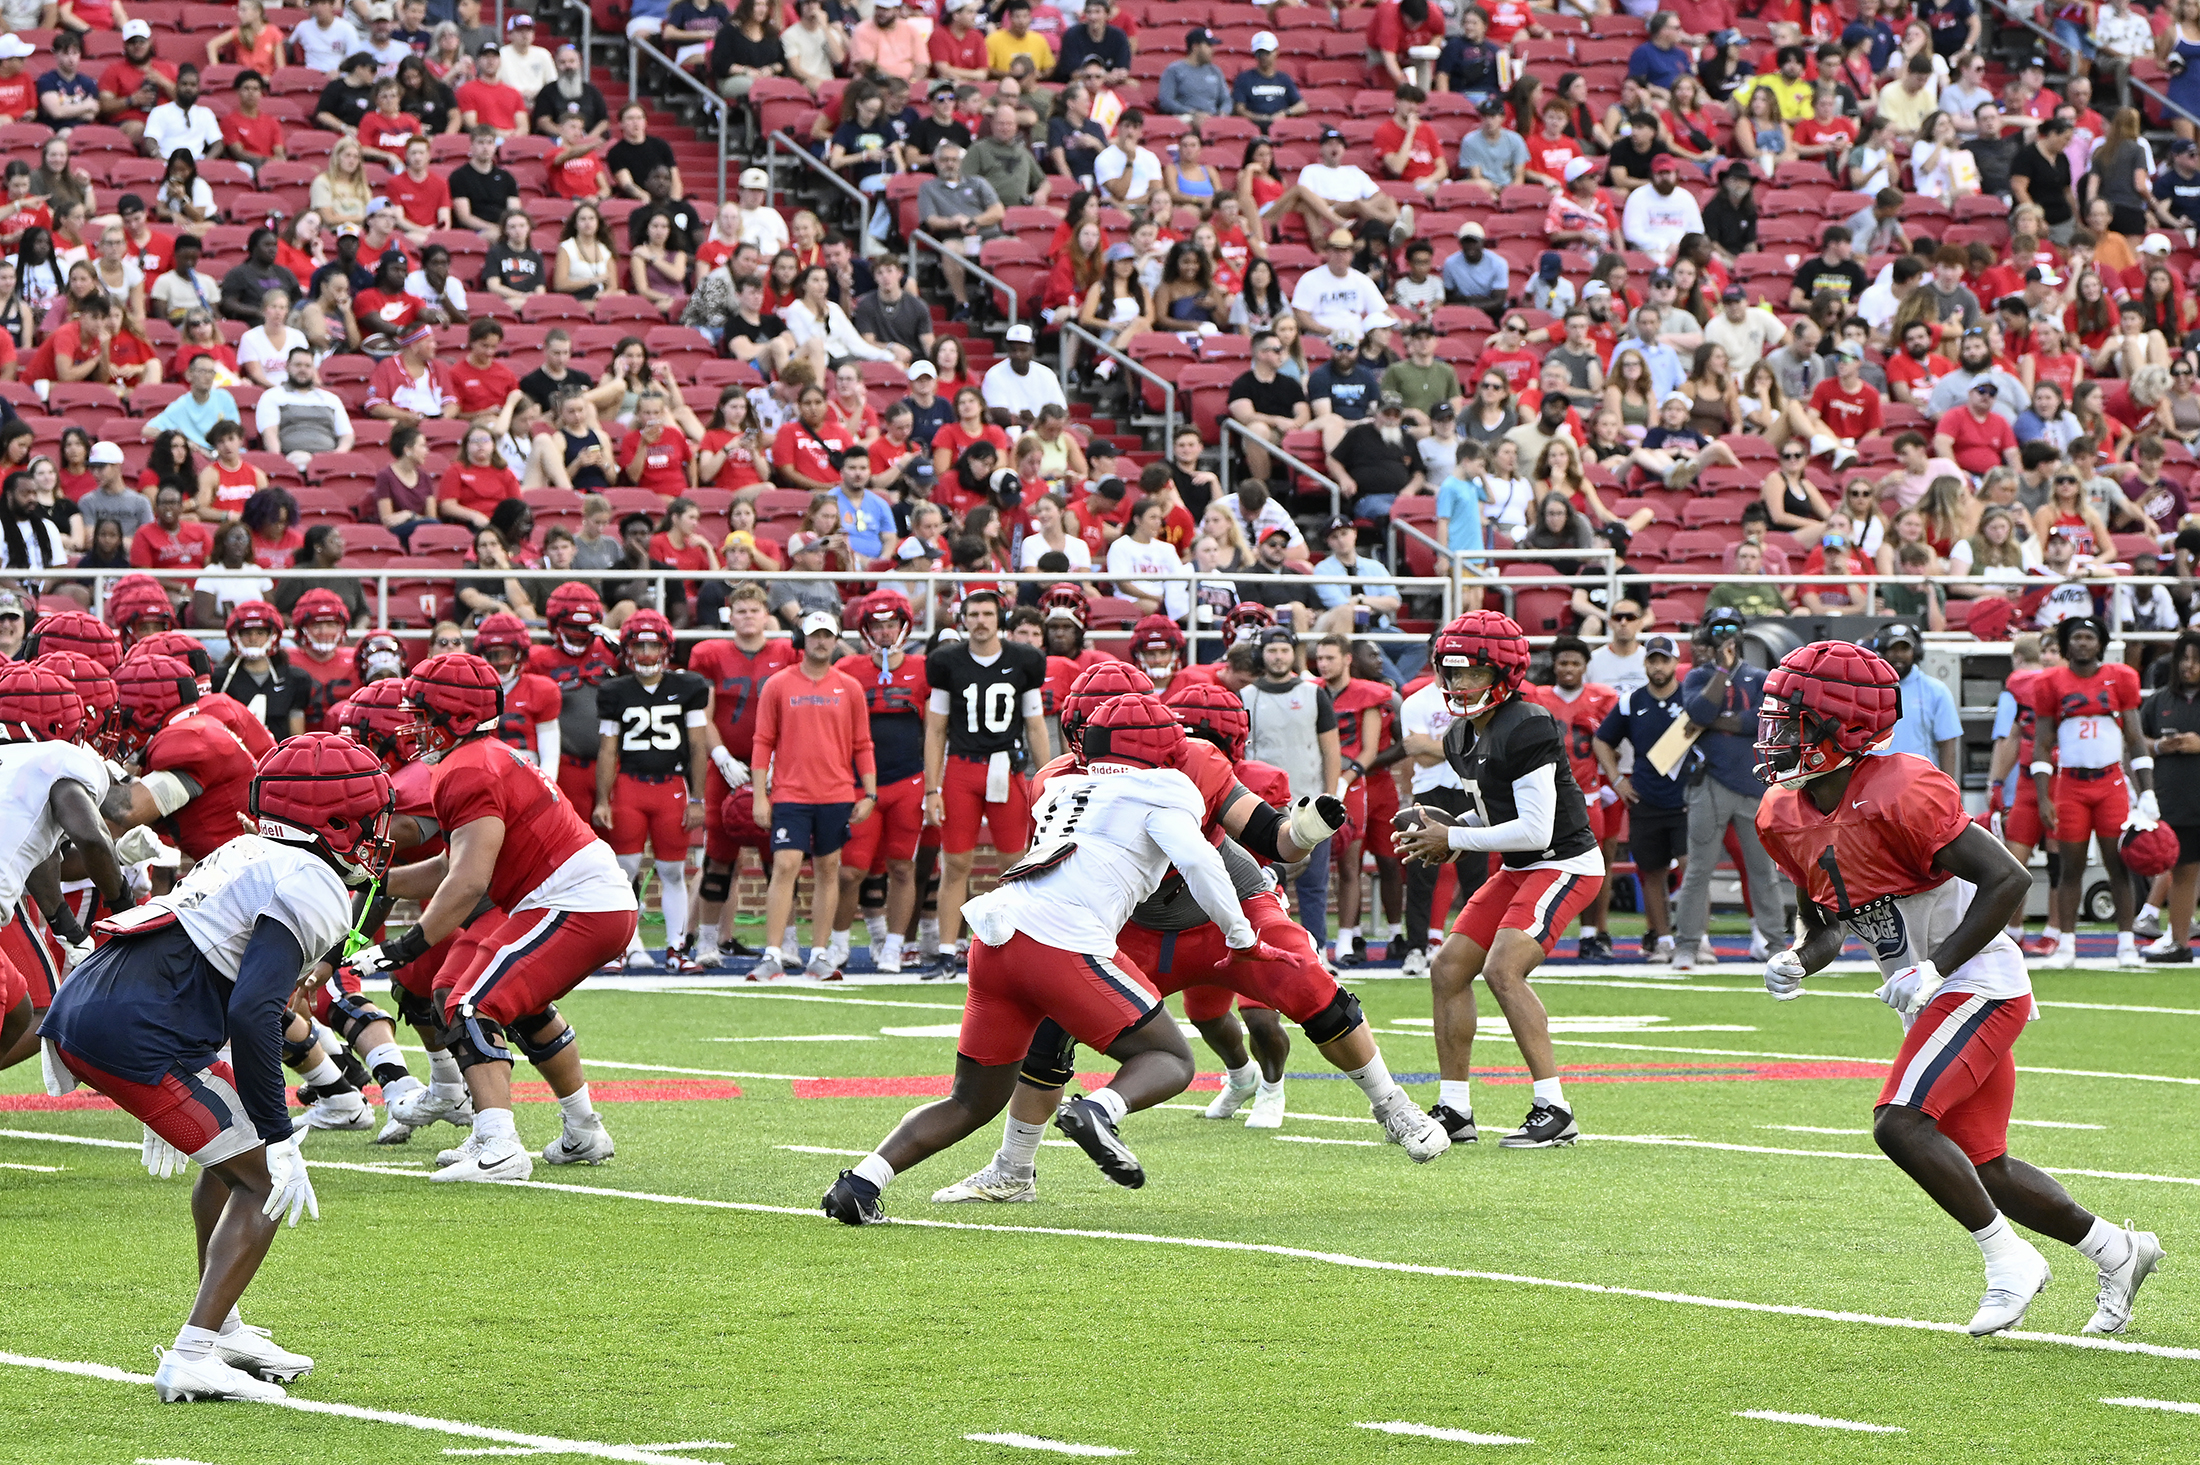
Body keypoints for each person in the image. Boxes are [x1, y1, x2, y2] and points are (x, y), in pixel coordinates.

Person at [1753, 639, 2163, 1339]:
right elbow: (1826, 923)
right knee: (1985, 1166)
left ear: (1842, 728)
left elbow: (2009, 877)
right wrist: (1798, 956)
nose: (1775, 735)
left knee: (1899, 1122)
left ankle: (2009, 1261)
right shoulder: (1782, 814)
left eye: (1792, 720)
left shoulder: (1902, 787)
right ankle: (2118, 1251)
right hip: (1930, 992)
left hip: (1977, 982)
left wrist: (1937, 966)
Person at [40, 728, 374, 1402]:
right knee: (264, 1178)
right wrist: (279, 1132)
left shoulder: (245, 848)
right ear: (336, 818)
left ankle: (221, 1328)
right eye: (369, 815)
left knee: (229, 1162)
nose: (377, 830)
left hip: (96, 1002)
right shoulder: (313, 879)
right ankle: (194, 1351)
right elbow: (253, 1008)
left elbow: (207, 967)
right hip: (138, 1026)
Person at [335, 653, 635, 1182]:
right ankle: (582, 1129)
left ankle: (500, 1146)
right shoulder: (480, 756)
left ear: (454, 716)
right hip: (569, 898)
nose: (412, 726)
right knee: (457, 988)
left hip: (575, 901)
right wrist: (372, 878)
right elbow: (450, 865)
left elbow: (469, 882)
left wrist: (407, 945)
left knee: (472, 1002)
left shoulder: (467, 767)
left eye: (421, 714)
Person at [1387, 611, 1598, 1147]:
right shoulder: (1460, 734)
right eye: (1453, 672)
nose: (1460, 683)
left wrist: (1453, 837)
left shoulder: (1528, 724)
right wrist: (1445, 831)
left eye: (1474, 672)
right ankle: (1455, 1109)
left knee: (1503, 969)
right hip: (1520, 866)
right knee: (1448, 968)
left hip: (1564, 862)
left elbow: (1535, 829)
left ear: (1505, 674)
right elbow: (1491, 814)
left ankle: (1555, 1108)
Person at [923, 588, 1050, 974]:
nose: (980, 621)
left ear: (1000, 619)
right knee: (955, 862)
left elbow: (1035, 725)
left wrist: (1047, 779)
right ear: (963, 619)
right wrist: (932, 788)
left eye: (987, 614)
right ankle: (947, 951)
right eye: (973, 614)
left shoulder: (1024, 660)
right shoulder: (947, 661)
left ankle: (1018, 947)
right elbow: (936, 729)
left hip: (1006, 768)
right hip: (962, 768)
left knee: (1015, 863)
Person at [2028, 615, 2150, 970]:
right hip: (2071, 784)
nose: (2082, 643)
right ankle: (2067, 944)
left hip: (2111, 782)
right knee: (2070, 867)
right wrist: (2043, 795)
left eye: (2089, 637)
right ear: (2067, 644)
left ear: (2101, 643)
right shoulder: (2050, 682)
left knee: (2118, 865)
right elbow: (2042, 744)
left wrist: (2147, 792)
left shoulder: (2121, 677)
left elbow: (2135, 738)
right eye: (2076, 637)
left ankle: (2126, 943)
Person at [1671, 607, 1789, 970]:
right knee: (1698, 870)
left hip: (1752, 786)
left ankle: (1774, 943)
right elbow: (1699, 713)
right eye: (1718, 627)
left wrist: (1717, 721)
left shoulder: (1761, 677)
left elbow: (1761, 721)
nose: (1725, 633)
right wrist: (1721, 672)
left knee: (1763, 871)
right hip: (1709, 784)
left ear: (1742, 633)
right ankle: (1687, 945)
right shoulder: (1697, 676)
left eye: (1731, 627)